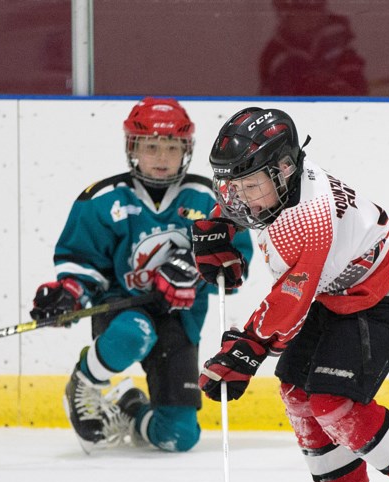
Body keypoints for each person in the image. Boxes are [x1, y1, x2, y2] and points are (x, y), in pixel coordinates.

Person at [194, 107, 389, 482]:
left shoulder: (308, 221)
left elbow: (290, 303)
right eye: (233, 186)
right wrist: (219, 223)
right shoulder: (280, 181)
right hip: (336, 288)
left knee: (334, 403)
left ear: (283, 170)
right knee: (296, 389)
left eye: (250, 186)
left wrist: (247, 348)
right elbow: (244, 200)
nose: (241, 198)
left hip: (381, 290)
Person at [31, 97, 254, 454]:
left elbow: (237, 259)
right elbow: (82, 261)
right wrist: (69, 292)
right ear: (133, 148)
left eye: (171, 146)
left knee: (179, 436)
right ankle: (83, 383)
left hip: (180, 320)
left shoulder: (211, 199)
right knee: (134, 332)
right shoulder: (102, 199)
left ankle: (129, 407)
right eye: (151, 146)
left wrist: (192, 268)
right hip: (122, 307)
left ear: (187, 149)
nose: (162, 157)